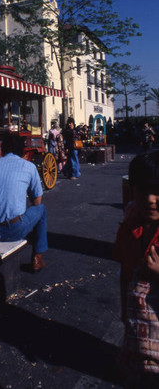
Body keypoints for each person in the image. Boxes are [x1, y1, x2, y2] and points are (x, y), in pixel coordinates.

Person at [114, 151, 159, 388]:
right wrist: (123, 311)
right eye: (144, 191)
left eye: (158, 191)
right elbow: (124, 273)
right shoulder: (129, 228)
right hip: (136, 329)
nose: (151, 199)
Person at [0, 133, 48, 272]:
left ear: (2, 149)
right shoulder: (29, 167)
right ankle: (37, 257)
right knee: (41, 209)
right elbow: (37, 201)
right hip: (12, 230)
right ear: (22, 150)